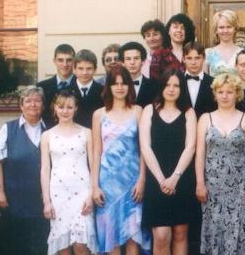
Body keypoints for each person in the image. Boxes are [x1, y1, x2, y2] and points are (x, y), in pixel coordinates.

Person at [195, 73, 245, 255]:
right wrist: (200, 183)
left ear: (237, 94)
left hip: (238, 188)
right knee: (213, 229)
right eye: (220, 91)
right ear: (215, 94)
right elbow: (200, 154)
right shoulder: (206, 118)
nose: (224, 96)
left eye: (229, 92)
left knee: (236, 231)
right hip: (211, 187)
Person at [90, 65, 150, 254]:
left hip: (133, 184)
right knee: (111, 237)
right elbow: (96, 152)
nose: (120, 87)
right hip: (107, 184)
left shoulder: (138, 111)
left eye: (124, 83)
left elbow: (143, 150)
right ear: (108, 86)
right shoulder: (99, 114)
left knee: (133, 235)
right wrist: (94, 186)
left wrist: (142, 180)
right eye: (115, 83)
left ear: (129, 86)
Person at [139, 69, 198, 255]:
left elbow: (191, 147)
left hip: (182, 179)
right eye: (167, 85)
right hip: (156, 180)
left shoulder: (189, 112)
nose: (171, 89)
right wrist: (161, 179)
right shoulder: (149, 110)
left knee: (181, 233)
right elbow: (145, 147)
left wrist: (174, 178)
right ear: (161, 86)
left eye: (176, 85)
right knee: (162, 234)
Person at [0, 86, 49, 254]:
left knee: (41, 243)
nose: (33, 104)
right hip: (14, 199)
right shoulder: (8, 129)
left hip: (42, 200)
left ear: (43, 106)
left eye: (37, 101)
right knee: (15, 243)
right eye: (28, 101)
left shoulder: (50, 129)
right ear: (21, 105)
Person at [40, 90, 98, 255]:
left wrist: (91, 194)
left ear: (75, 109)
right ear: (55, 108)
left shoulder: (86, 132)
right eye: (61, 107)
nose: (65, 111)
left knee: (81, 245)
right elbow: (45, 169)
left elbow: (94, 165)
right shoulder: (47, 136)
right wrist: (47, 201)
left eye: (69, 107)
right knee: (63, 247)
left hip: (82, 192)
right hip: (58, 194)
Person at [38, 44, 76, 128]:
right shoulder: (42, 87)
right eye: (60, 60)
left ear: (74, 61)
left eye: (69, 60)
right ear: (54, 61)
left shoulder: (82, 87)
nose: (65, 64)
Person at [149, 13, 194, 80]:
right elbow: (154, 83)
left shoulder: (192, 53)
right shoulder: (158, 55)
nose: (179, 30)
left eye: (183, 28)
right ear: (169, 31)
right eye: (175, 27)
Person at [68, 49, 104, 128]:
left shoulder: (103, 91)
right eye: (80, 68)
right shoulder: (66, 92)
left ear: (95, 70)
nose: (84, 72)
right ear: (74, 69)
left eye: (89, 68)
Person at [119, 41, 158, 107]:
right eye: (128, 59)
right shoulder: (116, 86)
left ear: (143, 61)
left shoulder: (155, 86)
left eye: (136, 58)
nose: (132, 62)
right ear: (122, 63)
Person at [182, 41, 216, 117]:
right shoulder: (177, 82)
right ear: (183, 59)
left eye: (197, 58)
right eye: (189, 58)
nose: (193, 62)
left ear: (204, 58)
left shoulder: (214, 83)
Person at [205, 10, 243, 77]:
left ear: (235, 29)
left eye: (229, 27)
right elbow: (204, 82)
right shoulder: (208, 53)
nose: (225, 31)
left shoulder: (243, 52)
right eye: (221, 27)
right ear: (216, 30)